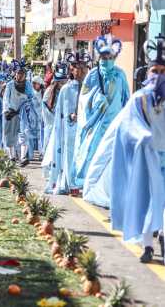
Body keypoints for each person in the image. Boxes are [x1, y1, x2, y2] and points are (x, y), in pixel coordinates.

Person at [83, 34, 165, 263]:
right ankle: (147, 245)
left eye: (162, 71)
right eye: (154, 71)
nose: (158, 75)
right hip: (148, 158)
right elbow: (128, 124)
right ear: (147, 72)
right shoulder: (140, 99)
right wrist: (143, 137)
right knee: (148, 200)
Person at [78, 35, 130, 204]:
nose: (107, 61)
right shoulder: (93, 75)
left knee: (112, 158)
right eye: (104, 57)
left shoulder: (120, 75)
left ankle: (108, 190)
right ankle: (89, 186)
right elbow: (84, 97)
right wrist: (97, 99)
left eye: (110, 58)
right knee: (93, 155)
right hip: (97, 123)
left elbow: (126, 99)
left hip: (114, 124)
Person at [43, 53, 90, 194]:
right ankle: (71, 183)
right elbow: (60, 114)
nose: (81, 71)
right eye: (78, 68)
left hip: (86, 128)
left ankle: (84, 182)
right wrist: (71, 116)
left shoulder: (91, 88)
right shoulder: (66, 89)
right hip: (70, 129)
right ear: (72, 69)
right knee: (70, 155)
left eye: (84, 68)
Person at [2, 61, 35, 166]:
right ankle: (11, 157)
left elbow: (31, 97)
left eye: (22, 73)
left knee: (23, 134)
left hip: (23, 113)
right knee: (9, 135)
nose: (20, 75)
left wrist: (27, 107)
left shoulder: (28, 85)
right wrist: (6, 110)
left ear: (25, 74)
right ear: (15, 73)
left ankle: (23, 157)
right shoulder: (10, 85)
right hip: (11, 112)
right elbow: (6, 99)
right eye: (18, 73)